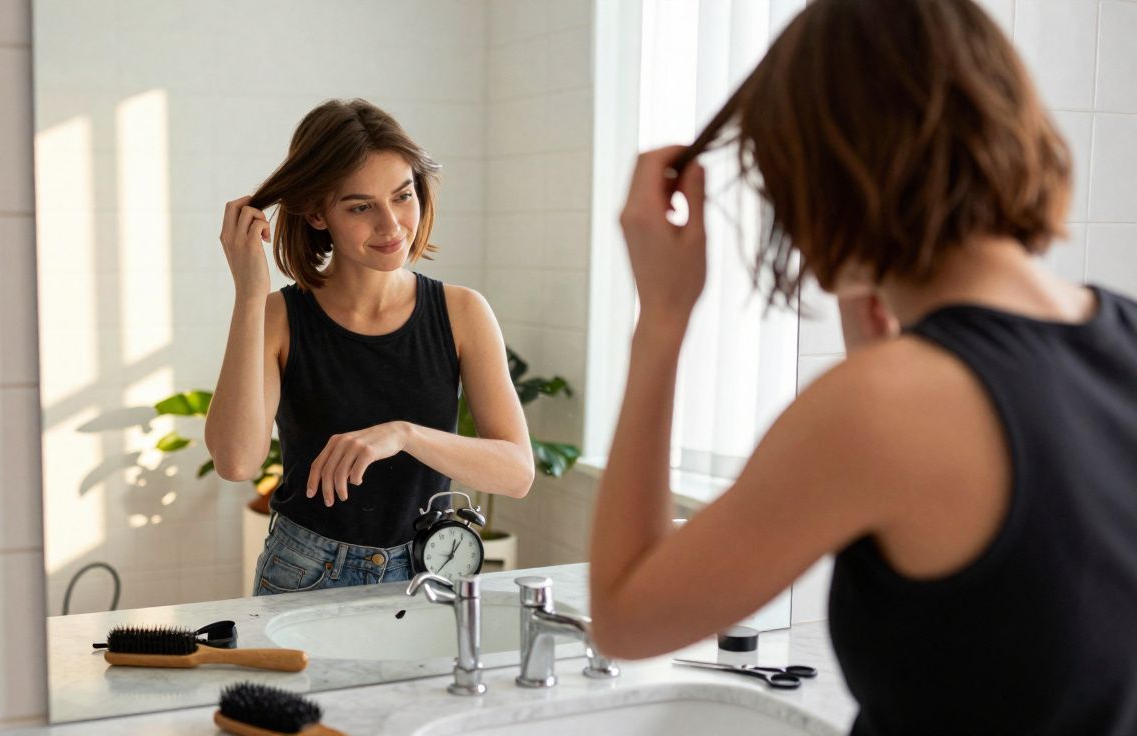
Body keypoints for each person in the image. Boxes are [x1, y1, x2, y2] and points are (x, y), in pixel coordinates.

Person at [589, 1, 1137, 734]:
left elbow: (627, 619)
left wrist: (660, 321)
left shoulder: (883, 405)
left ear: (821, 171)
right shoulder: (1123, 334)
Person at [205, 98, 534, 596]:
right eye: (361, 206)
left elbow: (516, 472)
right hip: (305, 572)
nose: (392, 225)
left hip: (430, 572)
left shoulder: (462, 312)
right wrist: (250, 295)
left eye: (403, 196)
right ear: (317, 213)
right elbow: (235, 462)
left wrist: (403, 435)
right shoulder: (278, 317)